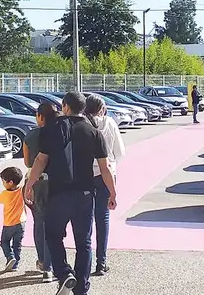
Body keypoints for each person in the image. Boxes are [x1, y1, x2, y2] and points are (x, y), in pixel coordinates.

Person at [25, 91, 118, 295]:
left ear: (65, 106)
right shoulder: (93, 132)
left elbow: (40, 160)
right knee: (83, 243)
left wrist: (29, 184)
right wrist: (112, 193)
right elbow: (105, 167)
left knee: (52, 236)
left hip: (58, 194)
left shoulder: (53, 129)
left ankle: (64, 273)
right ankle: (81, 289)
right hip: (85, 195)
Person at [84, 95, 125, 277]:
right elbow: (120, 152)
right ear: (102, 108)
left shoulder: (82, 124)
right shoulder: (110, 123)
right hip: (107, 174)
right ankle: (102, 262)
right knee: (103, 218)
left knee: (85, 219)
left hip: (84, 175)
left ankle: (85, 260)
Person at [23, 102, 58, 283]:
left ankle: (44, 263)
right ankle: (51, 266)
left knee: (39, 223)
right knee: (54, 225)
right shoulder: (62, 131)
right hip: (58, 183)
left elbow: (28, 162)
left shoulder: (31, 135)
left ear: (40, 117)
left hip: (37, 182)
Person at [0, 166, 26, 272]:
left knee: (4, 242)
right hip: (21, 222)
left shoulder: (6, 194)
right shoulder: (22, 190)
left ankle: (10, 257)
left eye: (3, 181)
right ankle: (15, 264)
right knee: (17, 245)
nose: (3, 183)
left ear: (10, 182)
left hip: (9, 223)